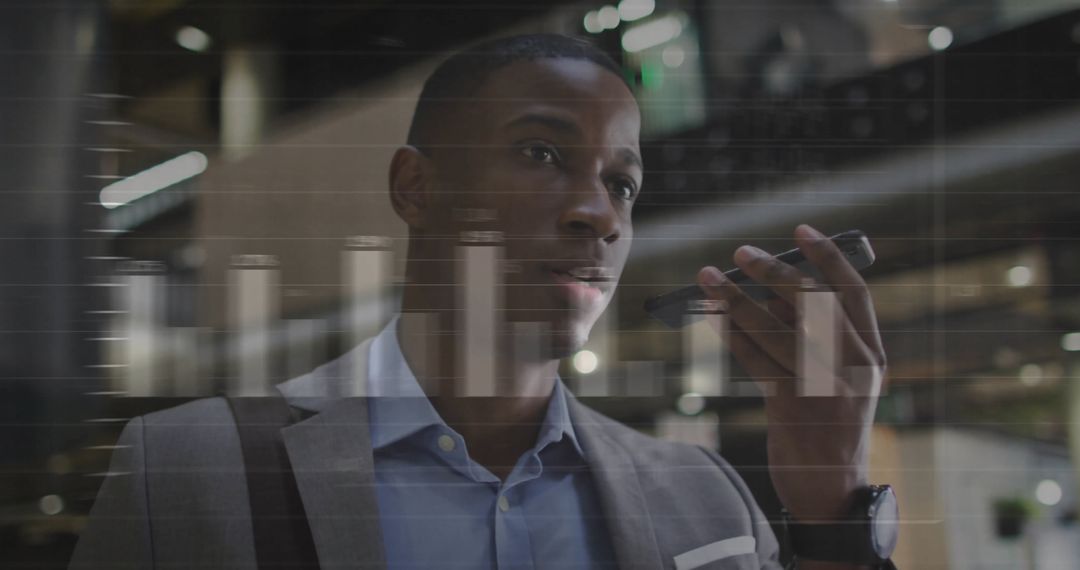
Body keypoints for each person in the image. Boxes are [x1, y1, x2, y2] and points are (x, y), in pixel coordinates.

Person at [69, 34, 893, 570]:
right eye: (540, 152)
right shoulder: (186, 470)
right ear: (416, 186)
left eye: (623, 184)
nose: (599, 214)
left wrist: (831, 499)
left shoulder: (704, 494)